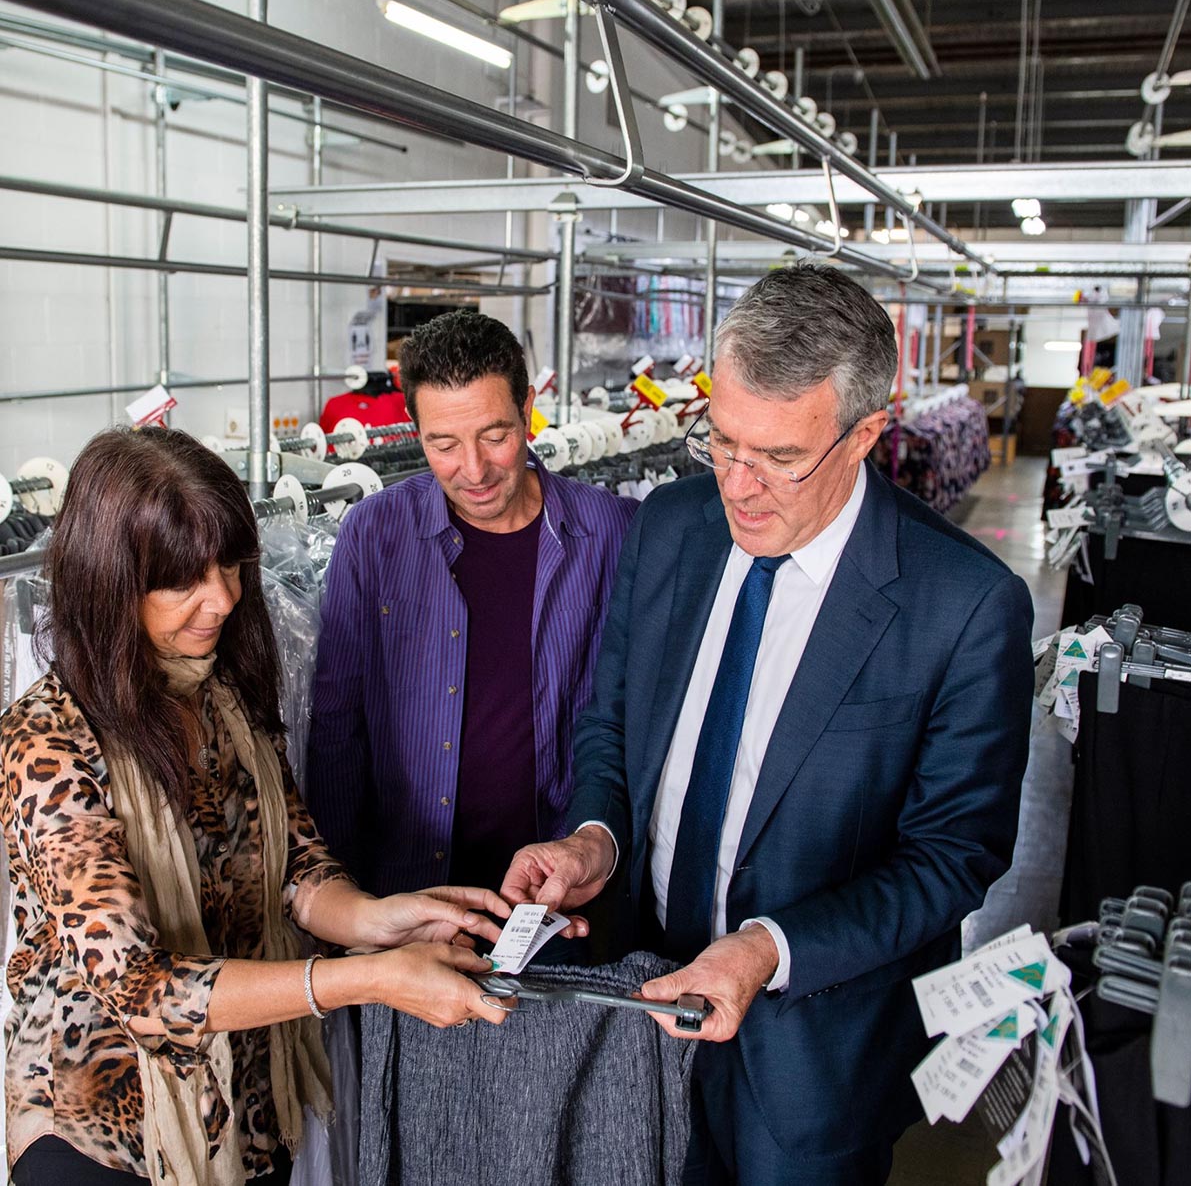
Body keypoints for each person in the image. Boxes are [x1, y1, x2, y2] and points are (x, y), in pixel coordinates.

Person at [501, 265, 1036, 1185]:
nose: (739, 486)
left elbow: (954, 854)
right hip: (634, 995)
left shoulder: (962, 603)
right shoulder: (671, 525)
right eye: (722, 440)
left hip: (811, 1051)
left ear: (866, 432)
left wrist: (767, 949)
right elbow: (612, 723)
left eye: (781, 458)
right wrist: (595, 837)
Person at [0, 427, 510, 1186]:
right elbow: (143, 990)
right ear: (109, 581)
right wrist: (368, 978)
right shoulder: (44, 745)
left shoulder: (218, 692)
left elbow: (293, 865)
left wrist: (382, 919)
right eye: (182, 579)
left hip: (241, 1113)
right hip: (101, 1135)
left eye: (231, 564)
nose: (224, 597)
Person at [306, 310, 638, 898]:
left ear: (528, 410)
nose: (475, 470)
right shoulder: (374, 533)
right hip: (412, 895)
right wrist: (344, 900)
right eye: (444, 444)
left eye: (495, 435)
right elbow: (338, 725)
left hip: (557, 897)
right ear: (414, 428)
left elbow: (630, 722)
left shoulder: (612, 530)